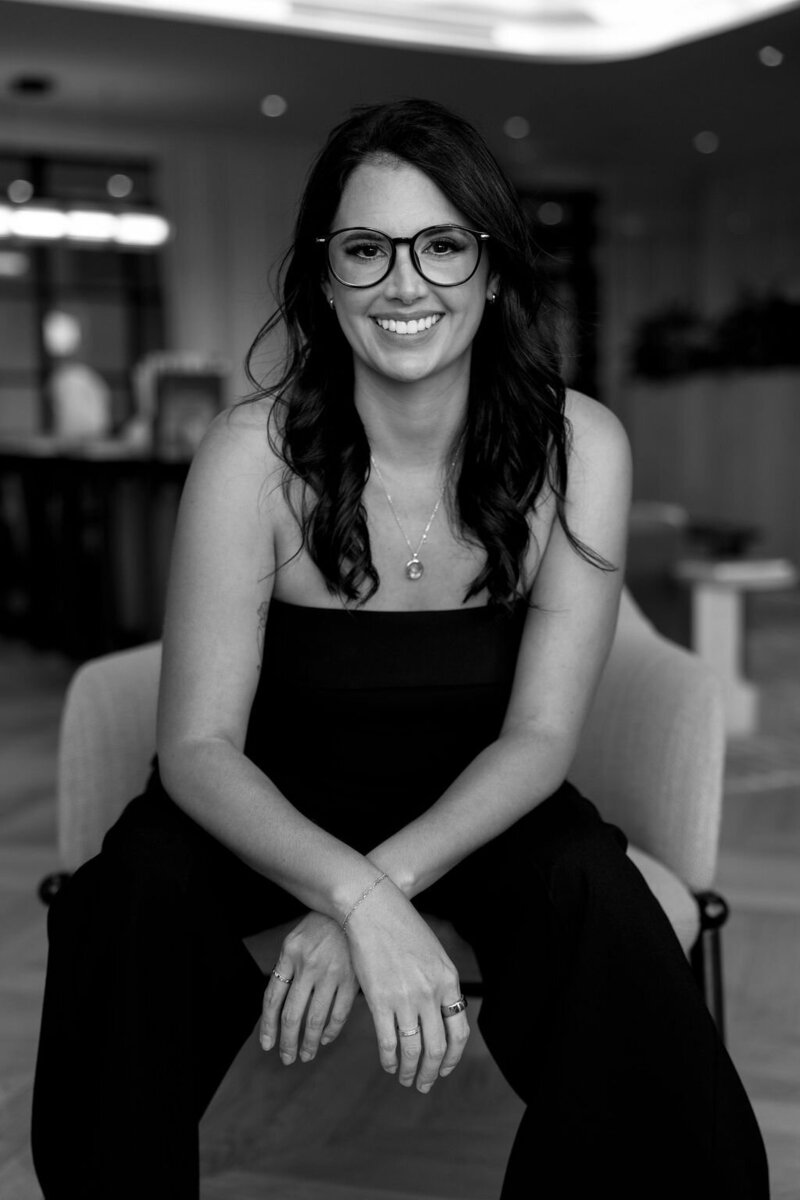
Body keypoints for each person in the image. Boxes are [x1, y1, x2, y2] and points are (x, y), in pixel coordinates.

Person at [32, 98, 769, 1199]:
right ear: (324, 280)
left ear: (492, 272)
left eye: (440, 246)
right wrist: (356, 899)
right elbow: (195, 747)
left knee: (597, 902)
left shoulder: (579, 448)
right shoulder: (250, 454)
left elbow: (538, 737)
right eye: (365, 249)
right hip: (262, 804)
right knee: (129, 901)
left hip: (485, 803)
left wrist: (380, 888)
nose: (403, 283)